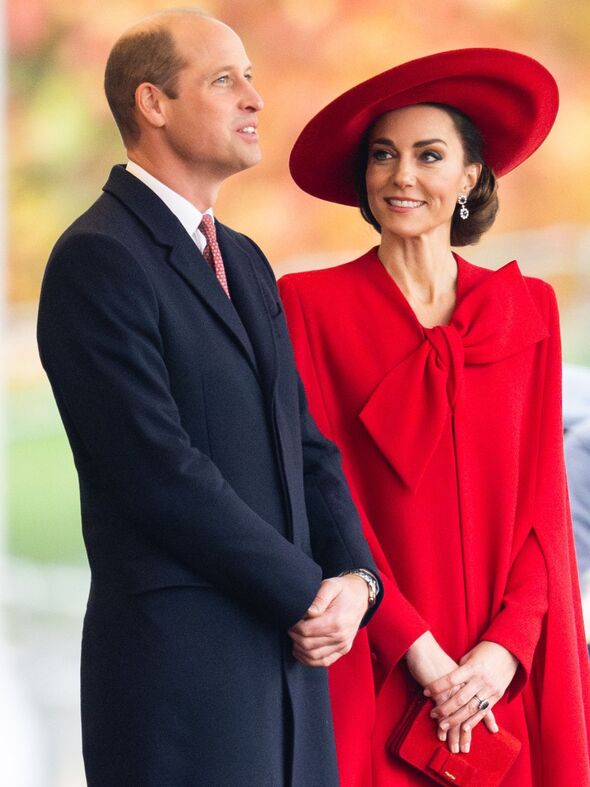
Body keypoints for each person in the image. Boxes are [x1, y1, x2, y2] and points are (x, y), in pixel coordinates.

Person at [36, 10, 382, 786]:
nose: (254, 98)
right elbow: (159, 472)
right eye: (226, 79)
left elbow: (305, 444)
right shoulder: (96, 258)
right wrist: (305, 591)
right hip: (183, 687)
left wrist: (357, 580)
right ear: (153, 102)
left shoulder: (249, 261)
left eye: (253, 77)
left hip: (291, 683)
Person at [278, 48, 590, 785]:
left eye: (428, 155)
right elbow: (322, 496)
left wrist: (501, 652)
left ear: (470, 176)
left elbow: (545, 509)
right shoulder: (309, 306)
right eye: (383, 156)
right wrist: (419, 650)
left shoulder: (529, 309)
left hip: (498, 678)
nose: (402, 176)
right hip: (374, 660)